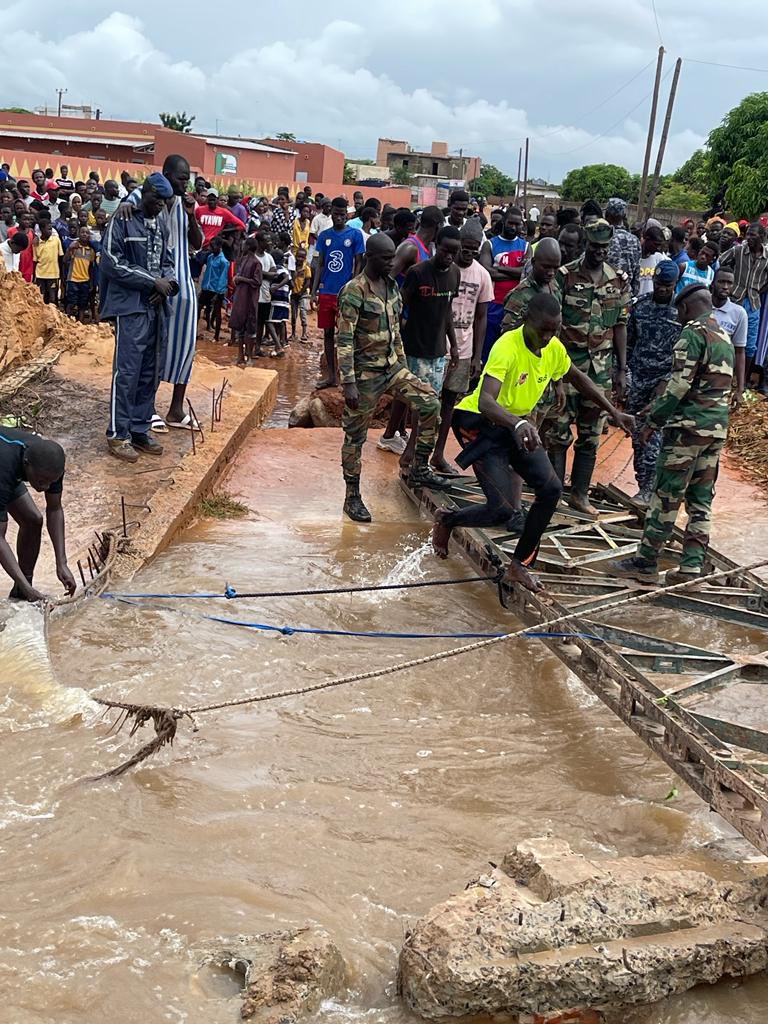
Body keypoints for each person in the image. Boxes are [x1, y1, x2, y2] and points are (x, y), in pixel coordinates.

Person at [432, 293, 633, 593]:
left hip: (516, 425)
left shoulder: (552, 347)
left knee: (551, 489)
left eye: (555, 330)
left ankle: (519, 565)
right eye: (543, 330)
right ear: (528, 321)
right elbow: (487, 401)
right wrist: (519, 423)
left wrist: (614, 411)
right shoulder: (507, 348)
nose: (549, 337)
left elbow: (578, 378)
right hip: (481, 424)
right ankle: (448, 519)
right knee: (502, 510)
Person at [608, 284, 733, 585]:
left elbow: (677, 385)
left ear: (688, 308)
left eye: (679, 310)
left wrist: (652, 421)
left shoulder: (692, 334)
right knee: (701, 501)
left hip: (687, 431)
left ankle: (646, 561)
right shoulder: (724, 335)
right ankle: (691, 566)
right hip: (715, 431)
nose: (676, 315)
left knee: (666, 496)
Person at [337, 234, 446, 522]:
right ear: (371, 257)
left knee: (430, 402)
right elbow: (344, 339)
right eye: (386, 258)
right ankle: (352, 496)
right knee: (355, 437)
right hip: (364, 375)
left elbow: (396, 332)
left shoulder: (392, 287)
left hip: (392, 369)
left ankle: (420, 467)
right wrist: (348, 382)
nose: (392, 263)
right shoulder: (354, 291)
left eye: (392, 257)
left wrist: (403, 367)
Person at [550, 219, 631, 514]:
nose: (600, 252)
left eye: (605, 247)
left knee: (591, 434)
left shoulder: (618, 280)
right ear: (586, 244)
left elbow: (621, 325)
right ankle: (554, 494)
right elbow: (554, 325)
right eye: (596, 246)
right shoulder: (564, 276)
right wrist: (553, 373)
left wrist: (622, 369)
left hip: (600, 371)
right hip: (567, 367)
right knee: (557, 433)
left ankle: (579, 495)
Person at [99, 173, 179, 463]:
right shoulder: (121, 220)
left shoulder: (161, 223)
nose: (160, 205)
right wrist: (150, 282)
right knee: (128, 371)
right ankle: (118, 434)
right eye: (156, 200)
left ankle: (139, 428)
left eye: (164, 201)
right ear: (143, 194)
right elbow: (110, 262)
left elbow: (168, 262)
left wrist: (167, 285)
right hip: (130, 308)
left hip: (156, 307)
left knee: (150, 371)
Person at [431, 219, 493, 475]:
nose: (467, 254)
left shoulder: (482, 276)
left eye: (473, 249)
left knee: (448, 404)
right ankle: (416, 451)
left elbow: (481, 318)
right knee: (426, 403)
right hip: (435, 347)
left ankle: (438, 454)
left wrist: (477, 356)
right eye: (463, 249)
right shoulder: (445, 269)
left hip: (464, 350)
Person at [399, 226, 462, 470]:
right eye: (446, 251)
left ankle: (415, 455)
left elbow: (447, 311)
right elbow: (401, 306)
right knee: (422, 405)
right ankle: (411, 453)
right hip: (415, 348)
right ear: (436, 245)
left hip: (438, 352)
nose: (449, 256)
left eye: (453, 253)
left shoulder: (455, 274)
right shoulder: (418, 272)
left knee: (432, 405)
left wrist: (453, 346)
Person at [625, 260, 681, 503]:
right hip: (638, 380)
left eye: (667, 285)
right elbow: (628, 343)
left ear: (675, 284)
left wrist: (667, 382)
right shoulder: (641, 306)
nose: (661, 289)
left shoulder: (682, 310)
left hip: (664, 384)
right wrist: (624, 374)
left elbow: (684, 355)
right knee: (639, 437)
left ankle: (650, 489)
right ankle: (643, 485)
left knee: (655, 435)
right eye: (658, 284)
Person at [0, 426, 75, 601]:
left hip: (10, 468)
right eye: (41, 481)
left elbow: (54, 509)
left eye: (51, 482)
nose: (45, 487)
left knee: (33, 519)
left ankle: (21, 589)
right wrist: (29, 590)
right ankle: (25, 589)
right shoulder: (5, 468)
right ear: (26, 464)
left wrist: (61, 563)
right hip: (2, 467)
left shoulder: (51, 466)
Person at [311, 196, 365, 389]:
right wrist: (313, 291)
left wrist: (355, 286)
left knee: (347, 336)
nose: (339, 217)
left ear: (346, 215)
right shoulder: (324, 236)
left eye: (343, 214)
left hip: (346, 293)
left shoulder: (356, 235)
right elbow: (319, 265)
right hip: (326, 292)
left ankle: (347, 378)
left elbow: (359, 262)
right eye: (336, 214)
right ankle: (331, 377)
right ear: (331, 213)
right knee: (327, 333)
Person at [720, 221, 768, 387]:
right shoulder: (739, 250)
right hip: (735, 299)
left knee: (750, 344)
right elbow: (721, 261)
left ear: (762, 237)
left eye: (753, 235)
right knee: (727, 339)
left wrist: (759, 289)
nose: (749, 238)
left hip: (753, 302)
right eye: (747, 235)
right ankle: (723, 376)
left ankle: (740, 379)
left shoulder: (767, 256)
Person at [479, 206, 529, 358]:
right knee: (489, 349)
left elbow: (526, 272)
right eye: (510, 223)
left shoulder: (526, 246)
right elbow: (487, 272)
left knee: (511, 351)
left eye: (517, 224)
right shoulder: (490, 244)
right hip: (494, 304)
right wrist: (516, 272)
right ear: (504, 222)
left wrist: (500, 268)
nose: (514, 227)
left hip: (517, 306)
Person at [711, 267, 748, 399]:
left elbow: (739, 351)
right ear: (713, 283)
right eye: (721, 282)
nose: (725, 287)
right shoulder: (701, 306)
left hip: (721, 377)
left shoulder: (739, 313)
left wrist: (740, 389)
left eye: (729, 283)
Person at [230, 236, 263, 366]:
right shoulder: (243, 260)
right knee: (240, 328)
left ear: (248, 247)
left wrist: (241, 279)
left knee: (250, 329)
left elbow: (257, 282)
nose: (241, 246)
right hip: (240, 298)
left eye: (244, 245)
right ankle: (240, 356)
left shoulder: (256, 263)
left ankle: (249, 356)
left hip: (249, 299)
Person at [604, 197, 641, 295]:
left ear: (607, 215)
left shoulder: (605, 238)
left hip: (606, 293)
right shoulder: (635, 240)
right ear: (624, 215)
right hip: (627, 294)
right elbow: (637, 272)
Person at [199, 236, 229, 341]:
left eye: (213, 246)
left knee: (217, 312)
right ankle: (196, 331)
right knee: (200, 308)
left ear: (219, 246)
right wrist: (203, 287)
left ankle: (216, 336)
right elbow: (207, 273)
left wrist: (218, 293)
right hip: (207, 288)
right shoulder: (210, 257)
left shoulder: (224, 261)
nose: (210, 248)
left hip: (216, 290)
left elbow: (222, 278)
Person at [63, 226, 97, 321]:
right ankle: (66, 322)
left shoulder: (91, 251)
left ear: (89, 236)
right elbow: (65, 261)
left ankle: (80, 324)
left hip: (85, 281)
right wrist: (69, 249)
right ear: (78, 234)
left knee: (83, 305)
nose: (84, 234)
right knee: (71, 303)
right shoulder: (73, 247)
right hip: (73, 280)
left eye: (87, 233)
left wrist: (91, 281)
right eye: (82, 232)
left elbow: (91, 268)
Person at [265, 250, 291, 356]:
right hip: (284, 301)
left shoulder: (279, 269)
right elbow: (291, 282)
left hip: (277, 300)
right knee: (281, 323)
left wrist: (276, 287)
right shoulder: (285, 269)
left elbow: (286, 278)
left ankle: (279, 346)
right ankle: (281, 344)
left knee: (268, 321)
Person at [32, 220, 63, 305]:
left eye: (51, 229)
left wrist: (61, 274)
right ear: (42, 229)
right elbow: (35, 260)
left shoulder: (56, 240)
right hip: (40, 274)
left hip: (53, 274)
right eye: (48, 229)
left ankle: (54, 316)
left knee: (53, 298)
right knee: (41, 298)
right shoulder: (36, 243)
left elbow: (60, 257)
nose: (51, 231)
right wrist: (34, 277)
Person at [636, 224, 667, 297]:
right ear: (647, 239)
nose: (658, 248)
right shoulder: (635, 256)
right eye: (656, 244)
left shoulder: (659, 258)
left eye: (660, 245)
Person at [290, 247, 311, 342]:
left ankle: (304, 332)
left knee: (303, 312)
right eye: (298, 257)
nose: (300, 259)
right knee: (293, 314)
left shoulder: (306, 268)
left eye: (302, 257)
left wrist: (301, 292)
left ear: (305, 258)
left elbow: (307, 282)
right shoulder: (292, 267)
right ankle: (293, 333)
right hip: (293, 294)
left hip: (302, 294)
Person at [8, 213, 35, 282]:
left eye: (29, 220)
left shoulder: (31, 231)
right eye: (24, 219)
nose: (27, 221)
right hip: (15, 262)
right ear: (19, 220)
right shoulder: (11, 231)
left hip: (28, 264)